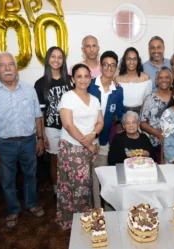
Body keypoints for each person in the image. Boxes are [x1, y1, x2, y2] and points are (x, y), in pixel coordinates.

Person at [0, 52, 45, 229]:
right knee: (7, 180)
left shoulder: (29, 90)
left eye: (10, 64)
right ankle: (13, 210)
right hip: (4, 144)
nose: (7, 68)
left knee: (31, 176)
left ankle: (31, 204)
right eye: (2, 65)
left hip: (29, 141)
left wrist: (40, 139)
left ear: (16, 67)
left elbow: (38, 117)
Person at [56, 64, 104, 230]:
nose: (83, 79)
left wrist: (93, 136)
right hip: (72, 148)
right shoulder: (68, 97)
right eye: (79, 76)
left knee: (87, 186)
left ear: (90, 78)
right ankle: (72, 222)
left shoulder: (95, 99)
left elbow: (100, 122)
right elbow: (68, 125)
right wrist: (87, 143)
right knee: (73, 186)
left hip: (90, 147)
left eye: (86, 76)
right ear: (73, 79)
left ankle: (86, 219)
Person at [34, 46, 74, 199]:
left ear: (63, 60)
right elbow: (40, 113)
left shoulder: (70, 80)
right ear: (47, 59)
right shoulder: (40, 83)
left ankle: (70, 186)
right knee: (55, 160)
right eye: (53, 56)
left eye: (60, 57)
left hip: (70, 126)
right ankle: (57, 189)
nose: (56, 60)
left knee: (70, 159)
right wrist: (42, 135)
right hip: (51, 128)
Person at [88, 51, 124, 207]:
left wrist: (125, 124)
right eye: (105, 64)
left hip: (103, 141)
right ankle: (92, 208)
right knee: (86, 178)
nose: (109, 68)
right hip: (85, 138)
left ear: (116, 67)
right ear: (100, 66)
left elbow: (120, 113)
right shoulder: (89, 85)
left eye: (112, 65)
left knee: (101, 175)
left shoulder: (118, 90)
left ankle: (102, 208)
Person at [140, 67, 172, 163]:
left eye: (167, 77)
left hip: (173, 143)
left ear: (171, 80)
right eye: (160, 78)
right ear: (156, 81)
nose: (164, 80)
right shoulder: (149, 99)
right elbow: (142, 123)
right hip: (153, 143)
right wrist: (157, 133)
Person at [115, 47, 152, 114]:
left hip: (141, 113)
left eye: (134, 59)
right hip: (121, 113)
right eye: (128, 59)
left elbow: (148, 100)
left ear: (138, 61)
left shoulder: (145, 77)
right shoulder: (117, 79)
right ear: (124, 61)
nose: (131, 62)